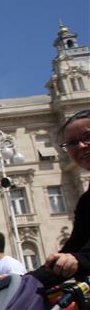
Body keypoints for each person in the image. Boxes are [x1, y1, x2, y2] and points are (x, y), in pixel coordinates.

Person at [35, 109, 90, 284]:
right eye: (72, 143)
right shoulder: (86, 202)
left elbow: (80, 256)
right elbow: (74, 247)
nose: (81, 146)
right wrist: (27, 281)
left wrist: (80, 260)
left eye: (87, 136)